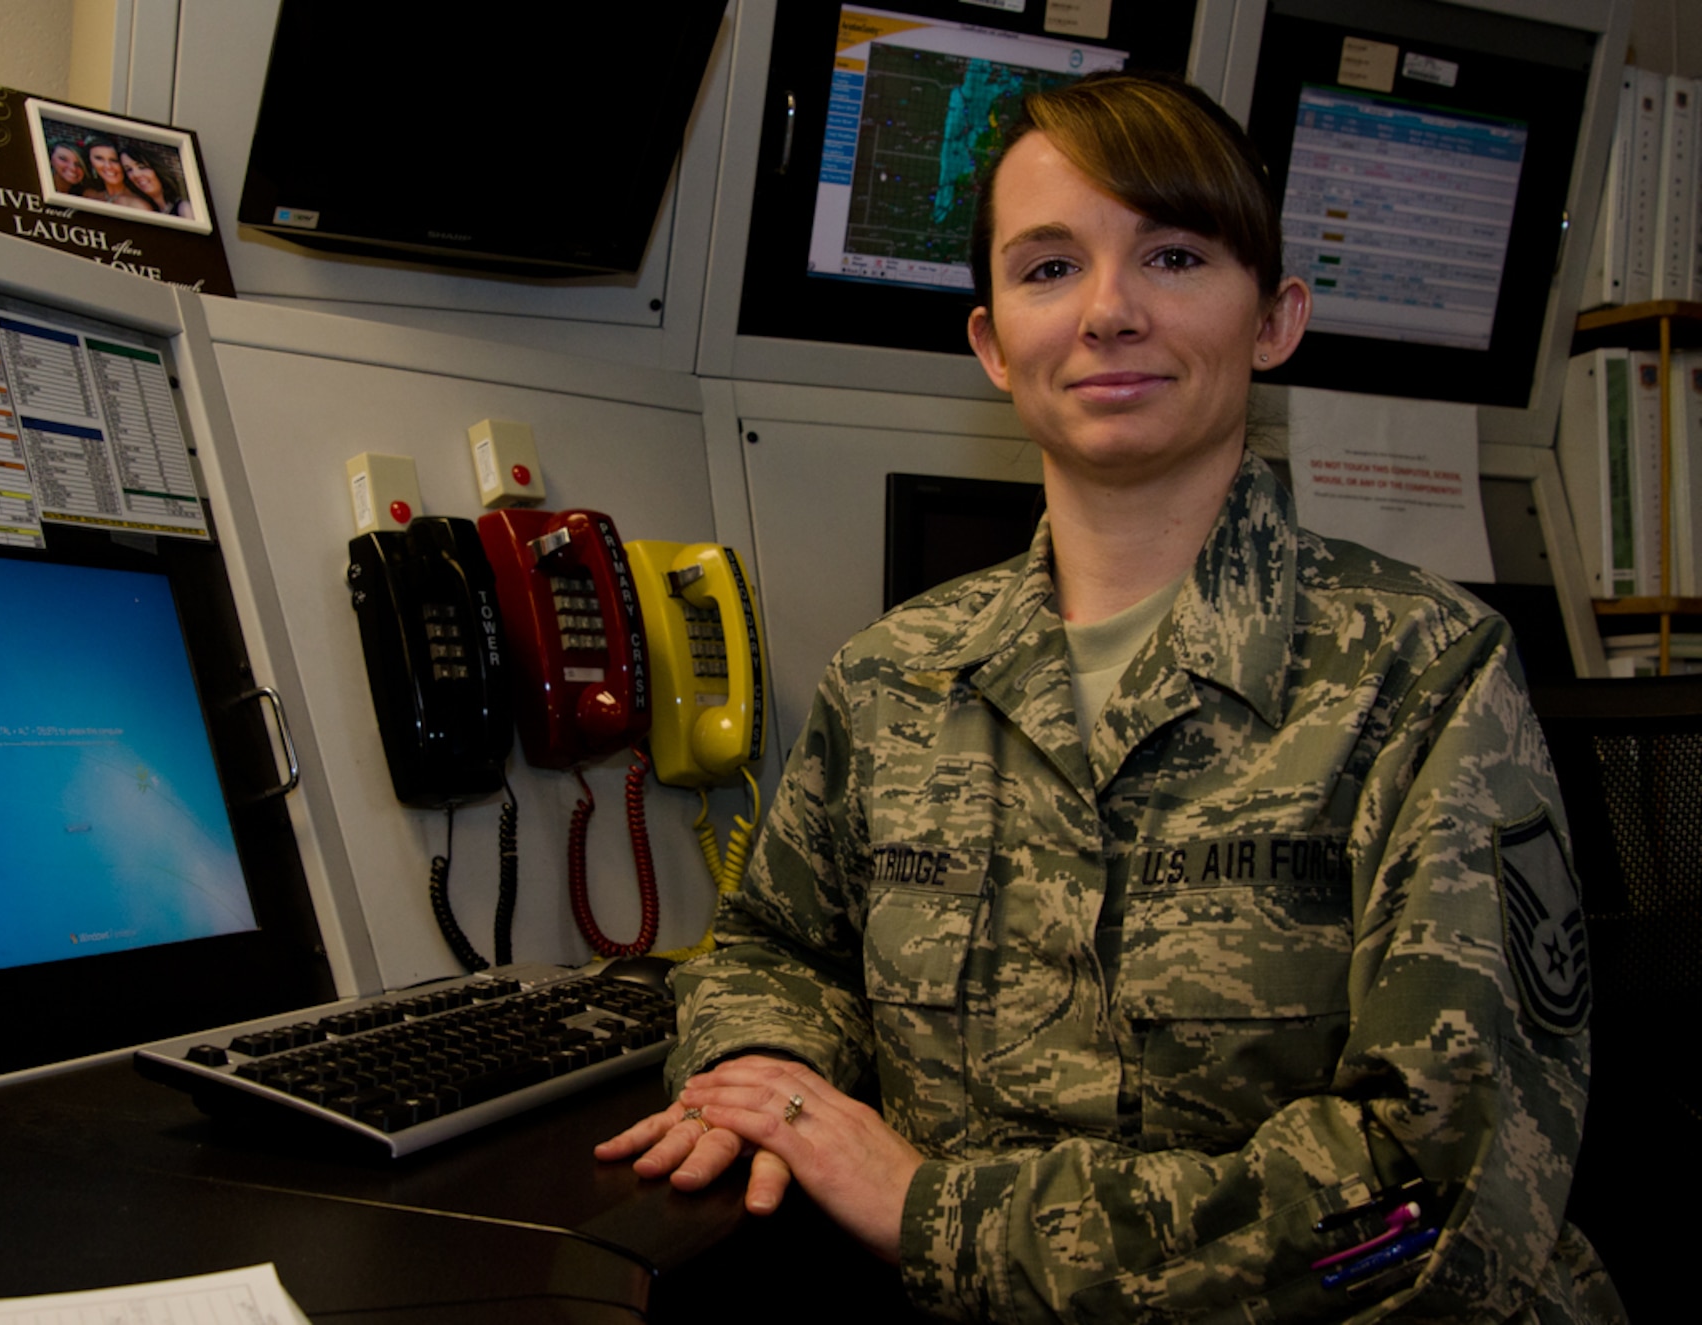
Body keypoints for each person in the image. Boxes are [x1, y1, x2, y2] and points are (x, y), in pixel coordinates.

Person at [599, 72, 1621, 1322]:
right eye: (1045, 268)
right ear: (988, 343)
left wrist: (929, 1210)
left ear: (1274, 319)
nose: (1106, 312)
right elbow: (775, 944)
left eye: (1173, 255)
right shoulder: (892, 677)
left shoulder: (1421, 672)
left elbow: (1429, 1203)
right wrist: (766, 1061)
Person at [78, 136, 155, 212]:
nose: (108, 166)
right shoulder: (89, 195)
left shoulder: (139, 206)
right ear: (91, 162)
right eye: (99, 158)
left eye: (114, 160)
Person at [120, 145, 193, 219]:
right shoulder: (142, 212)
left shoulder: (183, 209)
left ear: (157, 169)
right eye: (129, 170)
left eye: (142, 167)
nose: (136, 174)